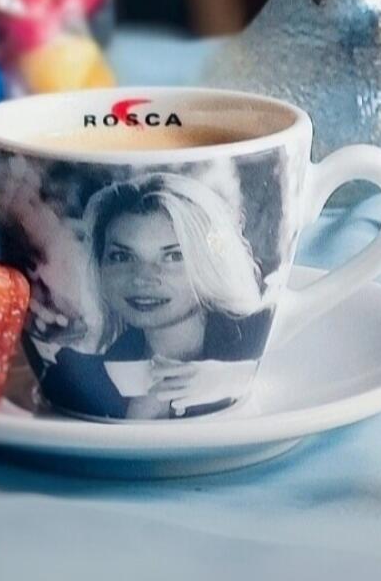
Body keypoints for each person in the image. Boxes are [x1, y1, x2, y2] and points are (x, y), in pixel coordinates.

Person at [40, 171, 272, 419]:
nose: (142, 277)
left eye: (173, 256)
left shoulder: (262, 333)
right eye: (122, 256)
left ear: (210, 263)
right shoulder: (73, 379)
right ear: (99, 266)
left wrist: (235, 378)